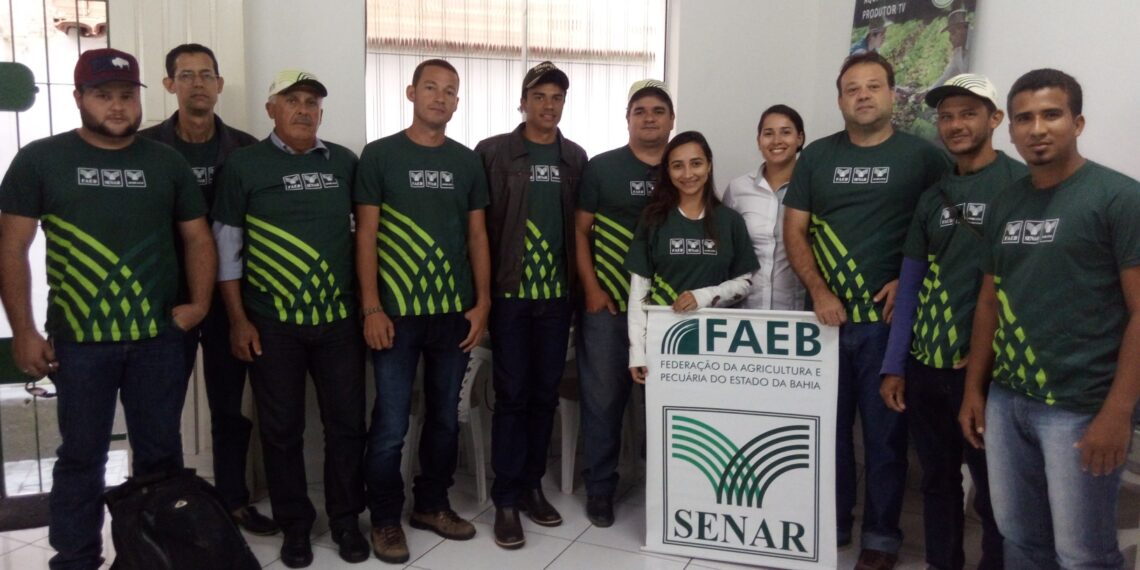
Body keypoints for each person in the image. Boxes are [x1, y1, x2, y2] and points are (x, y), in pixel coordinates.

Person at [0, 48, 216, 570]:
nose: (116, 106)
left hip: (157, 340)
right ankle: (76, 559)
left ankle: (156, 557)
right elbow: (11, 247)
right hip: (79, 342)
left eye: (125, 95)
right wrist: (23, 331)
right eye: (102, 95)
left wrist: (199, 305)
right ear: (79, 98)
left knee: (160, 458)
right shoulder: (41, 159)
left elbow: (198, 238)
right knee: (81, 457)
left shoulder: (165, 162)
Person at [959, 68, 1140, 570]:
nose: (1037, 129)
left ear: (1077, 122)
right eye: (1024, 119)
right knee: (1019, 539)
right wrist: (975, 390)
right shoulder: (1006, 202)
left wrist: (1118, 412)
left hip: (1081, 406)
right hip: (1007, 400)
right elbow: (989, 301)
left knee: (1082, 554)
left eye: (1051, 114)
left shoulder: (1118, 198)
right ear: (1010, 129)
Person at [782, 52, 949, 570]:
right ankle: (832, 523)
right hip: (825, 324)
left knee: (884, 439)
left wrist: (910, 279)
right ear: (839, 100)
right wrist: (819, 291)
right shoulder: (817, 157)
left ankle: (880, 538)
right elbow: (794, 230)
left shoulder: (924, 158)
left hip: (887, 327)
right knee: (826, 435)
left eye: (873, 86)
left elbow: (949, 231)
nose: (862, 95)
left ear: (892, 94)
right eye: (852, 88)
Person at [211, 70, 368, 568]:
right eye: (292, 100)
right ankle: (295, 525)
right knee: (281, 431)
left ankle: (346, 521)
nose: (304, 109)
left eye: (312, 102)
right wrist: (238, 320)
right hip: (271, 323)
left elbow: (365, 236)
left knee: (346, 425)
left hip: (339, 321)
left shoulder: (344, 162)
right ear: (271, 109)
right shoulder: (244, 165)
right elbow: (226, 248)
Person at [879, 74, 1021, 570]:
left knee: (995, 491)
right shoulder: (932, 197)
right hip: (927, 367)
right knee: (937, 482)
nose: (956, 124)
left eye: (968, 113)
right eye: (946, 116)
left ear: (994, 119)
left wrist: (989, 358)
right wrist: (895, 365)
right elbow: (910, 284)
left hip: (986, 372)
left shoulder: (1021, 186)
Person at [353, 58, 490, 563]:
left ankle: (432, 505)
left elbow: (478, 236)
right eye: (430, 87)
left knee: (445, 418)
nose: (440, 96)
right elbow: (366, 235)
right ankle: (385, 518)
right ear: (411, 93)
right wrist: (371, 306)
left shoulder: (466, 162)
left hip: (453, 314)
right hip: (395, 314)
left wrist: (483, 303)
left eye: (450, 90)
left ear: (458, 101)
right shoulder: (380, 155)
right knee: (391, 422)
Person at [137, 43, 275, 536]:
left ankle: (234, 501)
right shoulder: (144, 149)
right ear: (169, 84)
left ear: (219, 85)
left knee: (229, 407)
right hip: (164, 300)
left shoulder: (246, 149)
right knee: (159, 412)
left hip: (230, 301)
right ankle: (163, 508)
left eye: (206, 74)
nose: (197, 83)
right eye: (186, 75)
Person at [474, 61, 587, 550]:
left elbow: (582, 229)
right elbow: (476, 228)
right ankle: (504, 497)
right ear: (523, 102)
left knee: (544, 396)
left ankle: (531, 486)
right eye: (539, 96)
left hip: (556, 299)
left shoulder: (575, 157)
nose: (548, 105)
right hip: (509, 298)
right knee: (512, 395)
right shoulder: (492, 153)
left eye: (556, 97)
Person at [574, 79, 674, 527]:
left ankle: (669, 491)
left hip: (667, 313)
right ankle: (600, 489)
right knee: (603, 402)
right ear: (627, 119)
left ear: (671, 120)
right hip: (609, 308)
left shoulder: (684, 166)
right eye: (640, 111)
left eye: (658, 110)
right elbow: (580, 232)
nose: (649, 118)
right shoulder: (602, 168)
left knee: (667, 403)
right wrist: (592, 289)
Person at [625, 130, 759, 377]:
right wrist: (637, 351)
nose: (688, 174)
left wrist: (704, 296)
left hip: (718, 343)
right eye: (678, 166)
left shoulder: (730, 221)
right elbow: (639, 290)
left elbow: (745, 283)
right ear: (668, 171)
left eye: (696, 163)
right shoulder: (653, 219)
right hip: (663, 340)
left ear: (709, 166)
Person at [722, 104, 807, 310]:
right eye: (768, 133)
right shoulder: (738, 189)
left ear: (800, 138)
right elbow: (725, 250)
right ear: (759, 141)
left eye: (785, 132)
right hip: (745, 310)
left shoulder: (812, 187)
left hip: (800, 313)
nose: (776, 140)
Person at [928, 9, 971, 92]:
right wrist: (929, 91)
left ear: (963, 29)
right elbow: (946, 76)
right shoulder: (958, 52)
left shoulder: (978, 43)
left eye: (953, 32)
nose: (950, 38)